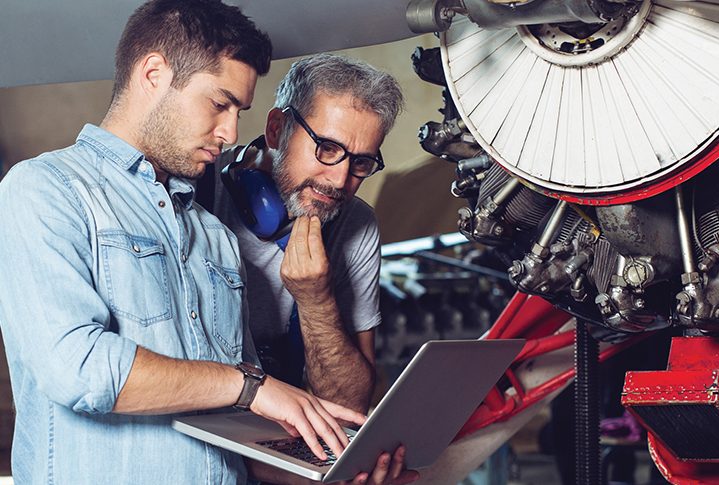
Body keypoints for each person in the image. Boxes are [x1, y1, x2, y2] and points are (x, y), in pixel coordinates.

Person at [0, 2, 390, 484]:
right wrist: (251, 387)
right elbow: (76, 367)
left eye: (237, 112)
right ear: (153, 73)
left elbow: (228, 428)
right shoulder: (45, 188)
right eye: (219, 103)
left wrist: (328, 476)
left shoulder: (214, 236)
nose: (229, 133)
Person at [202, 53, 415, 484]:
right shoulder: (199, 194)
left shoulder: (355, 224)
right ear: (277, 129)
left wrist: (315, 299)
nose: (339, 181)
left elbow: (352, 404)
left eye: (360, 163)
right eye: (328, 148)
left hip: (290, 447)